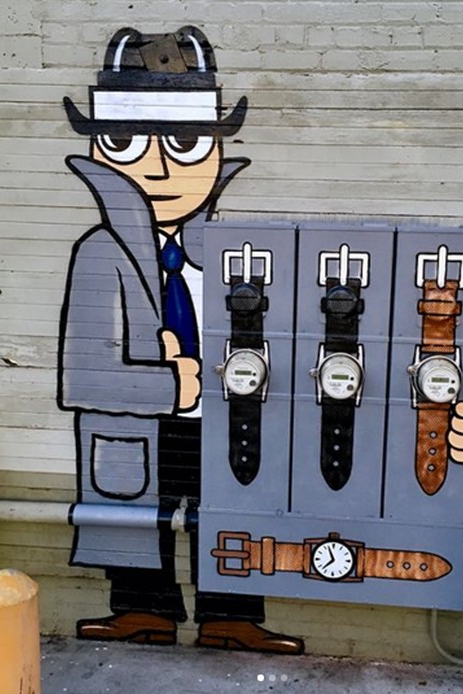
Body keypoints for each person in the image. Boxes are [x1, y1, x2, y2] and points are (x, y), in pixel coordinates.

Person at [58, 25, 304, 654]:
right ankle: (143, 611)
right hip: (138, 427)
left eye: (186, 143)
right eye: (126, 143)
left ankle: (231, 615)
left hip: (225, 418)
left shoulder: (231, 253)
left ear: (218, 149)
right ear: (101, 151)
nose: (158, 167)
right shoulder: (99, 253)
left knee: (231, 507)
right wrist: (173, 386)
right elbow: (81, 377)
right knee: (135, 512)